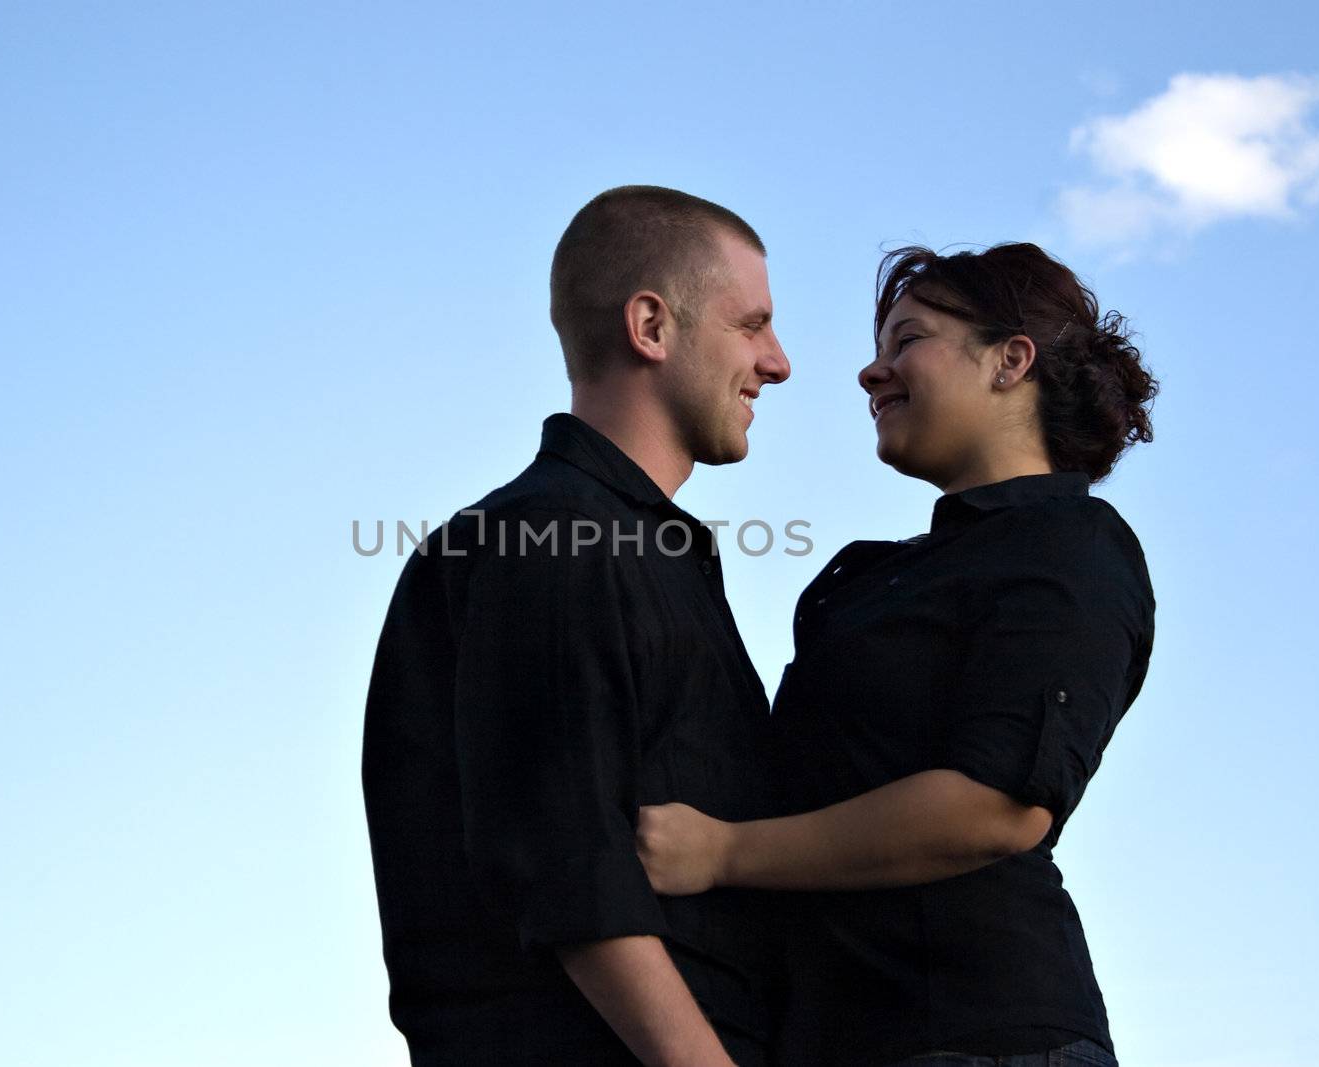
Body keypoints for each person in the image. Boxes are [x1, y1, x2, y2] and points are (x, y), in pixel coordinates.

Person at [635, 243, 1158, 1067]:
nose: (870, 374)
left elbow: (995, 807)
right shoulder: (869, 576)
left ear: (1009, 360)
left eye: (907, 340)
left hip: (975, 1036)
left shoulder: (1071, 544)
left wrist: (723, 852)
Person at [362, 185, 792, 1066]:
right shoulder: (554, 539)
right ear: (651, 325)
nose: (778, 362)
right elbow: (570, 873)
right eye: (751, 324)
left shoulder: (626, 548)